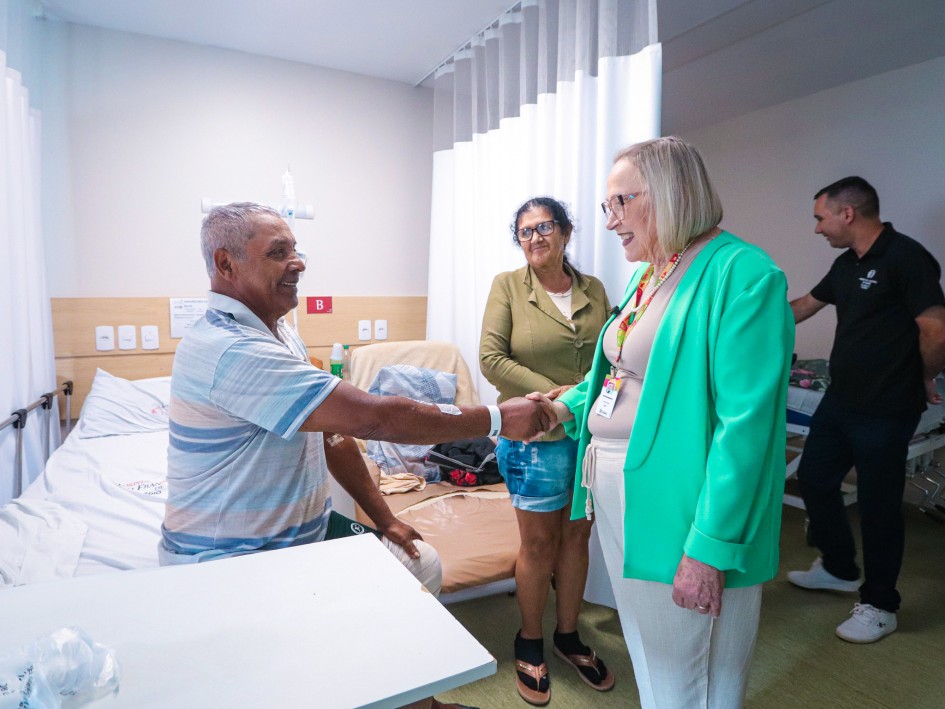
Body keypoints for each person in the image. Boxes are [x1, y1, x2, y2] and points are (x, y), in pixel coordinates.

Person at [161, 203, 554, 709]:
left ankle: (414, 702)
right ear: (226, 264)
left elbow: (336, 436)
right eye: (278, 252)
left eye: (296, 250)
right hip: (234, 560)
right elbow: (374, 419)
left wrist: (386, 519)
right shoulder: (228, 348)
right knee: (313, 648)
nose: (298, 263)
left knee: (418, 563)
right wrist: (499, 419)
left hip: (302, 536)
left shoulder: (279, 332)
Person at [534, 137, 794, 709]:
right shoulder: (653, 272)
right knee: (653, 649)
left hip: (682, 499)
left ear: (671, 193)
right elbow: (624, 373)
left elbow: (745, 428)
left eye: (620, 203)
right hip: (622, 486)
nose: (610, 221)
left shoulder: (743, 274)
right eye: (607, 206)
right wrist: (562, 407)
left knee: (687, 666)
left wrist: (708, 548)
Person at [787, 177, 945, 643]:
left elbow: (936, 330)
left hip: (888, 406)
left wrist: (925, 375)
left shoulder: (907, 257)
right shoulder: (846, 265)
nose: (817, 228)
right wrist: (741, 315)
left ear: (848, 213)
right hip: (842, 400)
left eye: (821, 218)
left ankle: (880, 605)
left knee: (878, 506)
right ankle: (838, 568)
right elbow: (803, 307)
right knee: (814, 478)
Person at [480, 197, 614, 705]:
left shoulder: (593, 289)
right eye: (525, 231)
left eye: (544, 227)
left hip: (590, 432)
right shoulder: (508, 286)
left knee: (578, 537)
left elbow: (611, 354)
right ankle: (530, 639)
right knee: (538, 545)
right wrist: (550, 395)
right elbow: (491, 358)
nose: (535, 237)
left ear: (565, 231)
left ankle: (568, 635)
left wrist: (576, 399)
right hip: (534, 434)